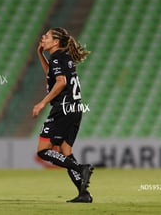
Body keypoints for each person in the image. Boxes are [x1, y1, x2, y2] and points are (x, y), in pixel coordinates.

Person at [33, 27, 93, 203]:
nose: (43, 37)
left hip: (63, 109)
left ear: (56, 42)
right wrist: (40, 54)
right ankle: (83, 193)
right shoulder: (63, 58)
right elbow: (51, 75)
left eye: (47, 36)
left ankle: (81, 168)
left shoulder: (58, 58)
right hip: (75, 109)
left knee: (43, 151)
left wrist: (42, 102)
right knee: (65, 152)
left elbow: (60, 82)